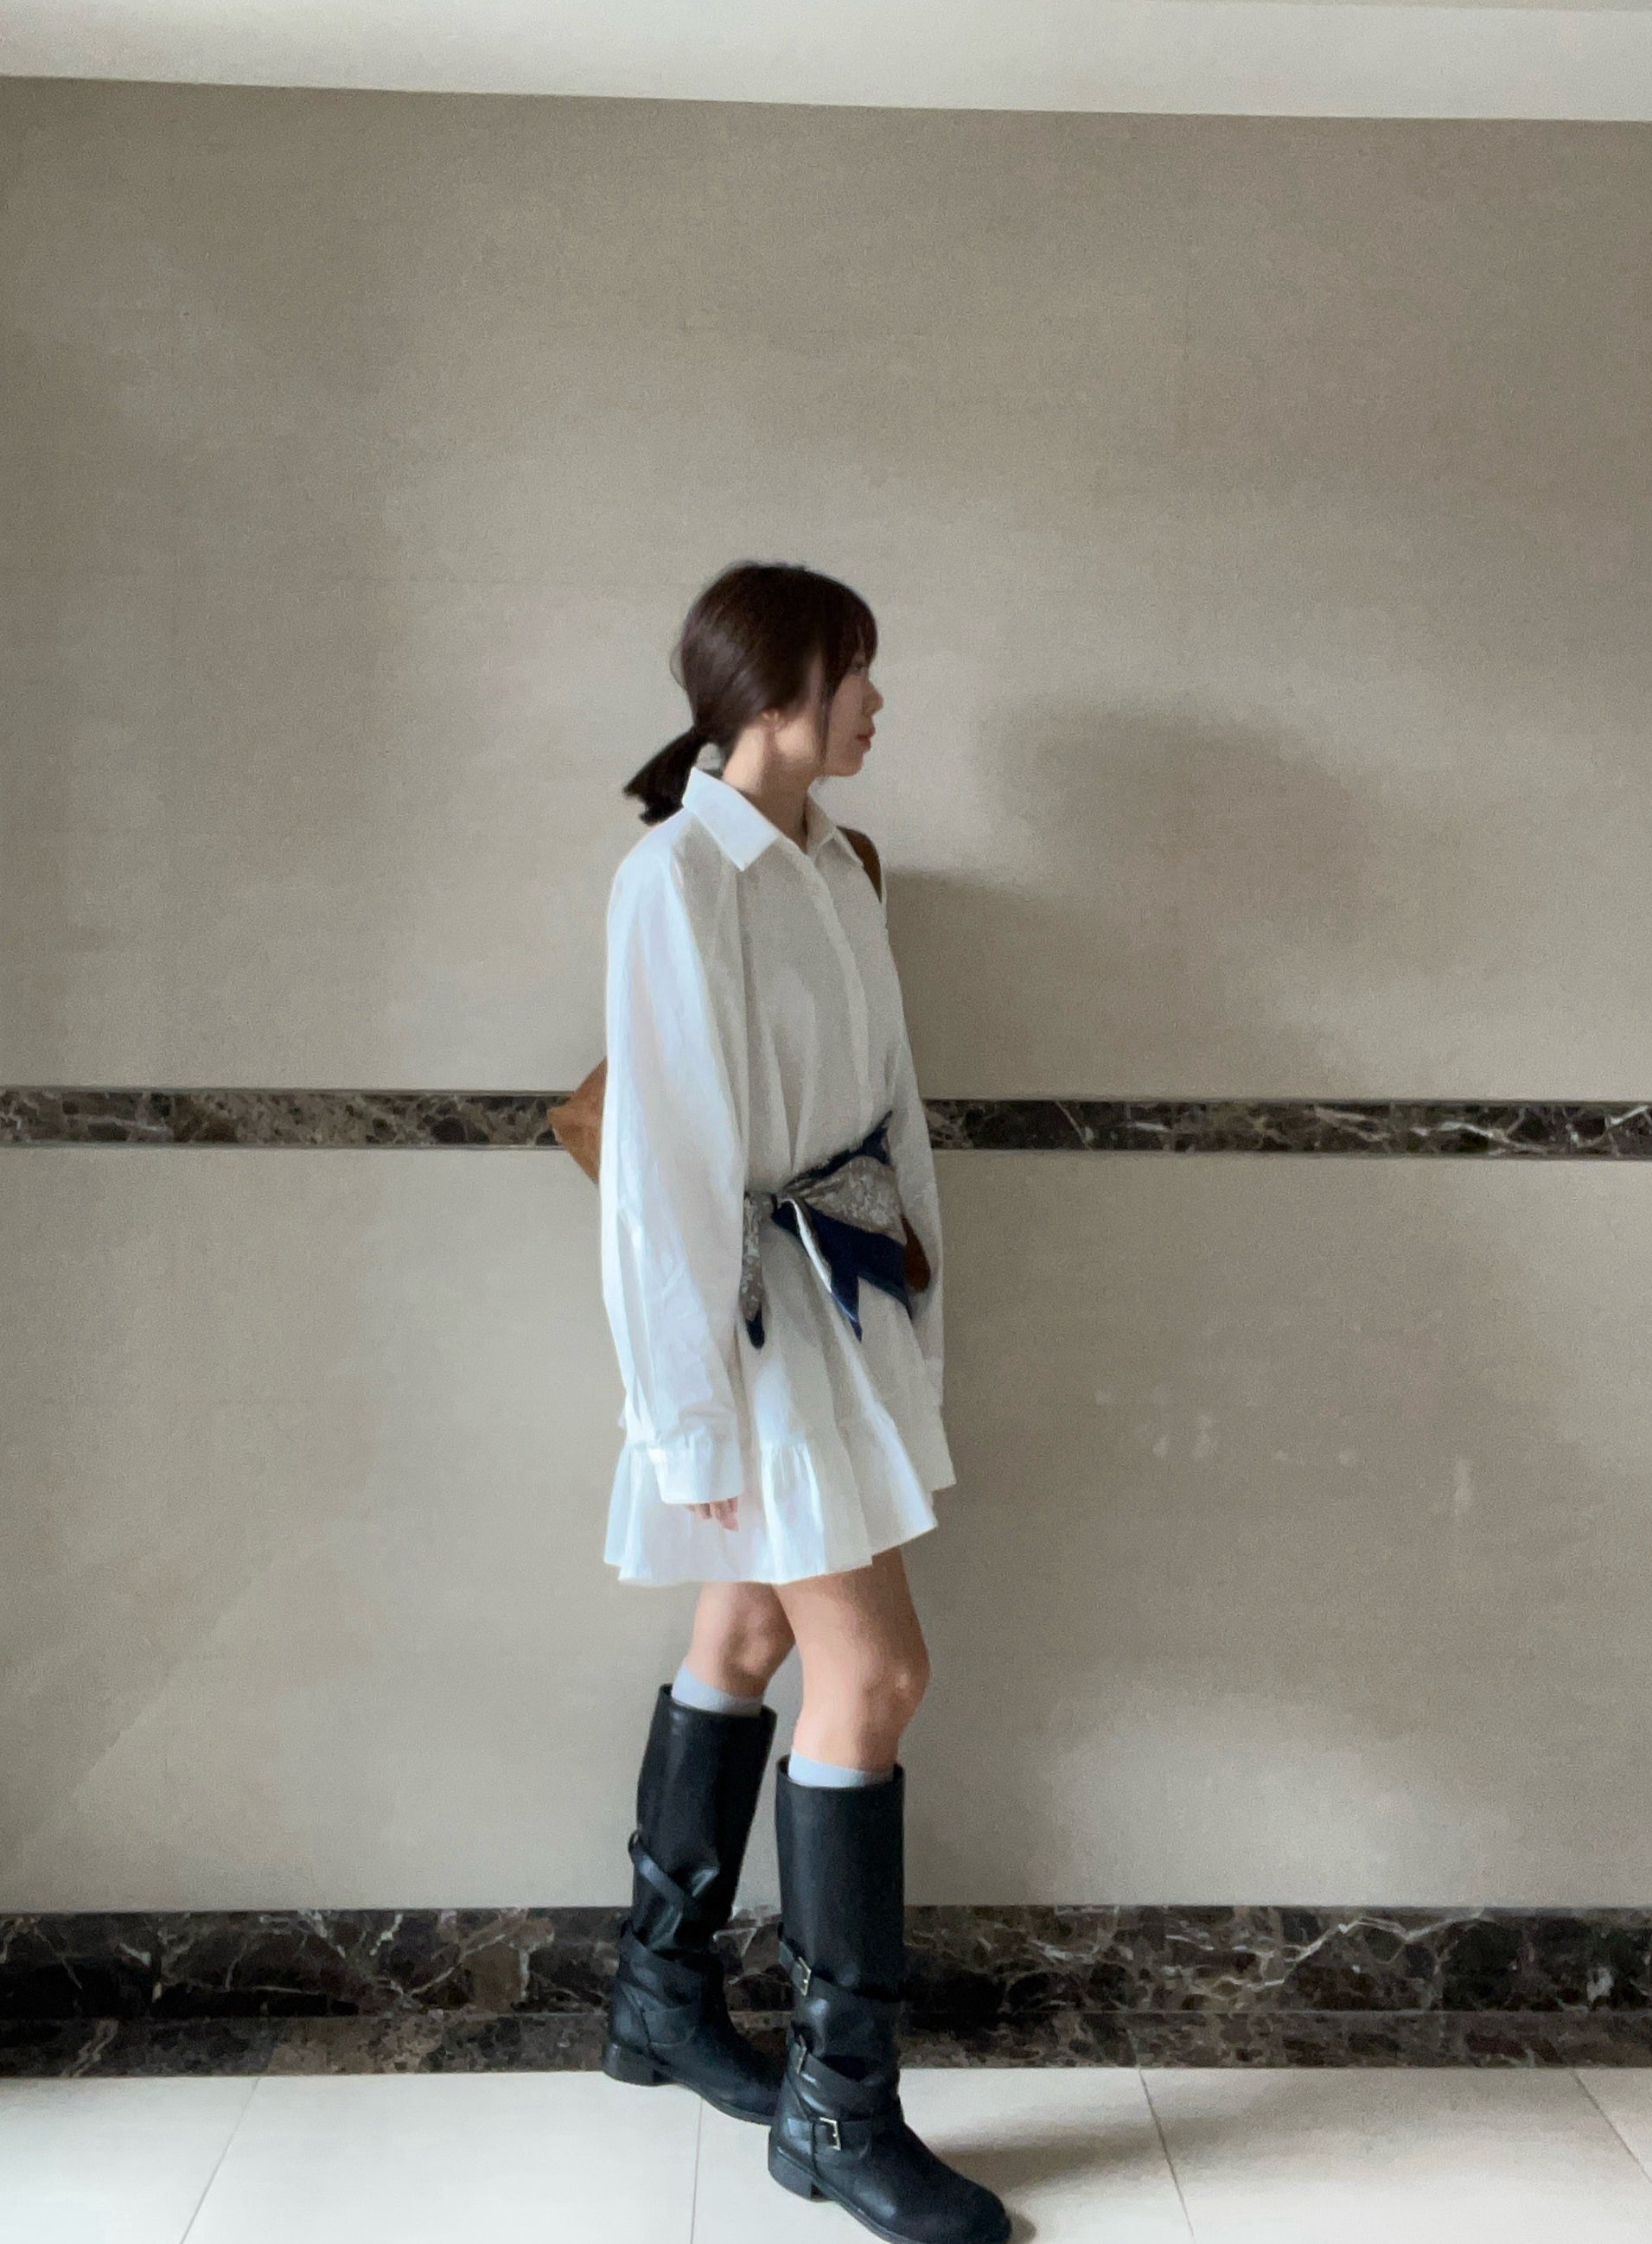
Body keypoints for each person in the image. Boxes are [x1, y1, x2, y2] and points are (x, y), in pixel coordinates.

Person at [596, 560, 1011, 2244]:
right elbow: (662, 1172)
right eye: (859, 670)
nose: (879, 700)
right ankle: (839, 2110)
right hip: (754, 1329)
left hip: (843, 1305)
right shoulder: (675, 878)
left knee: (756, 1627)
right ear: (781, 688)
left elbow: (888, 1112)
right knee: (880, 1671)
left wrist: (915, 1295)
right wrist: (686, 1416)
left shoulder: (839, 864)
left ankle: (659, 1994)